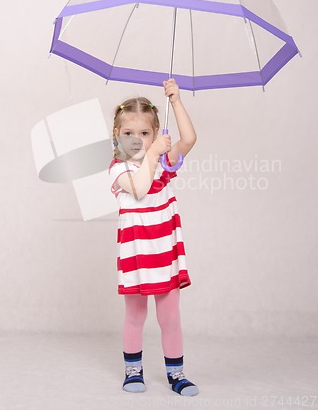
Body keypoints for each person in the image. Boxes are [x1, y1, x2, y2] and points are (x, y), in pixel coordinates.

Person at [109, 78, 198, 397]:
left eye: (145, 133)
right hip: (136, 257)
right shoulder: (119, 170)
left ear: (156, 133)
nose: (136, 139)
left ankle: (177, 373)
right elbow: (140, 188)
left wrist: (176, 101)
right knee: (135, 314)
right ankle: (133, 370)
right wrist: (153, 153)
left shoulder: (162, 164)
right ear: (116, 136)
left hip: (165, 255)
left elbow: (189, 139)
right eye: (128, 133)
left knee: (170, 316)